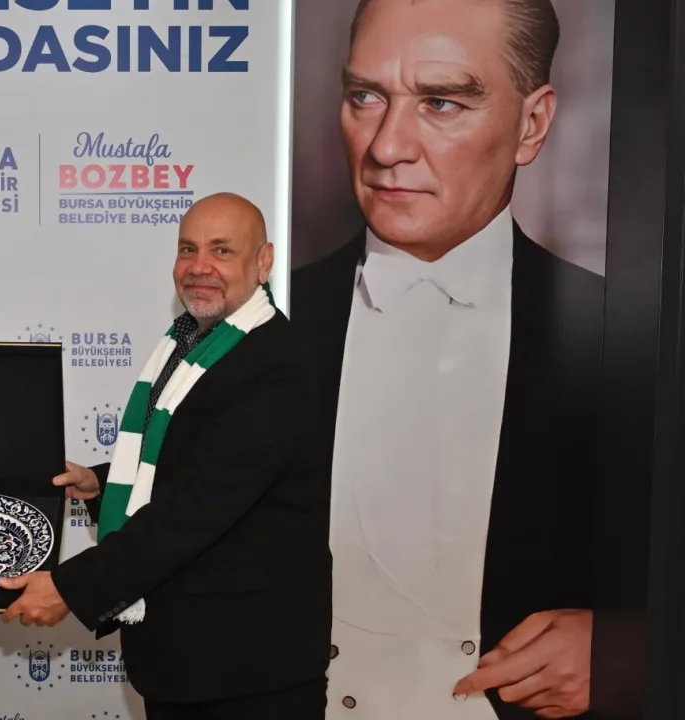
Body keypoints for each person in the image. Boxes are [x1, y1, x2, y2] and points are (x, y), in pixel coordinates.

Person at [289, 1, 599, 718]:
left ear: (532, 124)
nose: (387, 146)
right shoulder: (263, 326)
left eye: (441, 102)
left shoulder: (623, 335)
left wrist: (629, 646)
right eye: (365, 96)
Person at [0, 192, 331, 719]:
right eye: (188, 249)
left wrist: (70, 587)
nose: (200, 267)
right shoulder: (191, 343)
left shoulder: (274, 363)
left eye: (222, 250)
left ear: (263, 261)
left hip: (248, 671)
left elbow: (198, 507)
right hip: (189, 659)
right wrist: (102, 482)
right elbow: (189, 462)